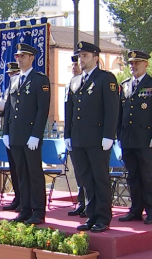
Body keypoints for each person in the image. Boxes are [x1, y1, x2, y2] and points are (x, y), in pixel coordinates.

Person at [64, 41, 119, 233]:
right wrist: (67, 135)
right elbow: (69, 110)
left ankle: (103, 216)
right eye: (80, 56)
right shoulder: (75, 81)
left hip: (97, 139)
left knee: (100, 178)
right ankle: (91, 214)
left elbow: (112, 110)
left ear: (96, 57)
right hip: (79, 138)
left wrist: (108, 135)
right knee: (85, 179)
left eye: (85, 56)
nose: (82, 59)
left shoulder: (106, 79)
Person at [117, 50, 152, 225]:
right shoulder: (125, 85)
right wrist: (118, 135)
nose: (133, 66)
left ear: (146, 63)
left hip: (146, 139)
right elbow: (120, 113)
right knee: (132, 176)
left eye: (137, 62)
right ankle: (135, 210)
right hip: (128, 138)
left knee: (146, 175)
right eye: (131, 63)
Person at [2, 43, 51, 225]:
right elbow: (9, 108)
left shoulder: (40, 80)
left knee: (34, 174)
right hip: (15, 135)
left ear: (31, 58)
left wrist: (36, 134)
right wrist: (6, 132)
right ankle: (25, 208)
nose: (19, 59)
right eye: (17, 56)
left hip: (30, 136)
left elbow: (42, 109)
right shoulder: (14, 80)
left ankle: (38, 211)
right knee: (21, 173)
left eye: (22, 56)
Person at [0, 62, 21, 212]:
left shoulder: (19, 87)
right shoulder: (9, 88)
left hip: (20, 134)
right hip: (9, 132)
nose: (11, 76)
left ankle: (23, 199)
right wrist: (0, 110)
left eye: (14, 73)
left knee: (22, 170)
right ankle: (17, 197)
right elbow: (6, 112)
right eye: (9, 74)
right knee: (14, 169)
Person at [66, 53, 87, 218]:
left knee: (88, 173)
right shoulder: (71, 84)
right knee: (79, 172)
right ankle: (81, 202)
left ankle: (89, 203)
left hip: (88, 136)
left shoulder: (90, 83)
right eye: (73, 66)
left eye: (76, 65)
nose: (74, 68)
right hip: (75, 135)